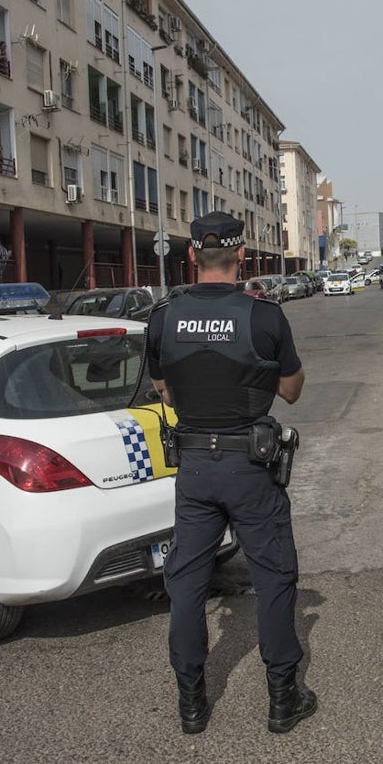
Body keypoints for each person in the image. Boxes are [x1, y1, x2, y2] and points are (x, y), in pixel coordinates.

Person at [146, 211, 316, 736]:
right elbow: (291, 390)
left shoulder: (162, 317)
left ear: (192, 256)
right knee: (273, 575)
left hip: (194, 465)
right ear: (242, 257)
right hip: (250, 464)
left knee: (188, 581)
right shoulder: (263, 316)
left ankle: (191, 703)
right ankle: (283, 699)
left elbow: (163, 390)